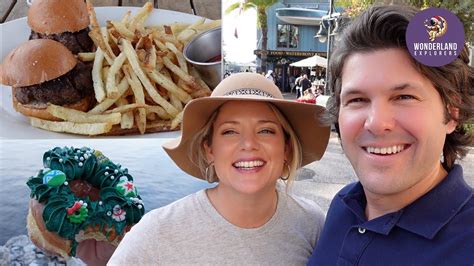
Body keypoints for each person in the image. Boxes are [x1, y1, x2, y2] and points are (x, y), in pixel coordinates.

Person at [308, 5, 474, 265]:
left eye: (404, 97)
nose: (376, 123)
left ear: (451, 112)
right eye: (358, 99)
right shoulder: (344, 206)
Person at [109, 73, 330, 265]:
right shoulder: (156, 232)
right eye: (230, 132)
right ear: (209, 150)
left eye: (266, 131)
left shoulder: (312, 224)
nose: (248, 143)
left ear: (287, 148)